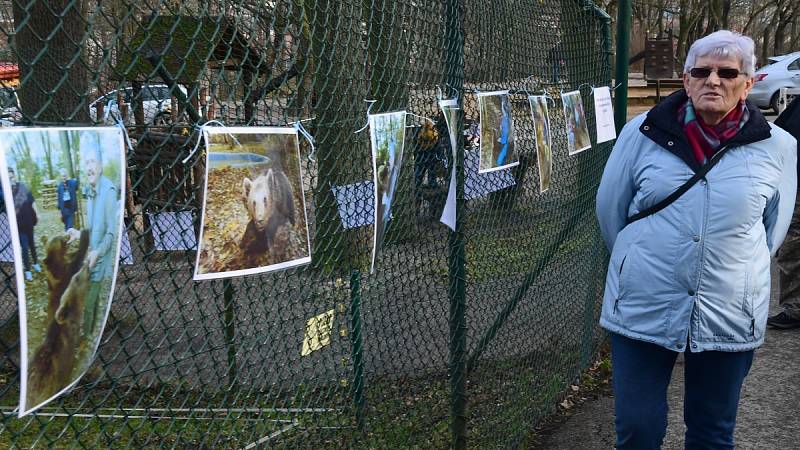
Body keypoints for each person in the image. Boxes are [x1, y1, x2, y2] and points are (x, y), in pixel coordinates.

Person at [595, 30, 797, 449]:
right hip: (643, 302)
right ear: (685, 80)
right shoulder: (641, 132)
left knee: (712, 432)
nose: (714, 81)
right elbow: (610, 211)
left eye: (728, 72)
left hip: (729, 308)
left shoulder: (779, 147)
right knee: (637, 428)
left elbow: (772, 230)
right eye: (701, 71)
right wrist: (637, 261)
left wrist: (734, 267)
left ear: (749, 82)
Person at [66, 147, 118, 340]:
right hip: (92, 257)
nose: (89, 167)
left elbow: (111, 233)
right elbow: (93, 229)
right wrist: (78, 234)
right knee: (92, 303)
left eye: (93, 162)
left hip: (101, 259)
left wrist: (98, 253)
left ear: (101, 166)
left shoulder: (108, 191)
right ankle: (92, 338)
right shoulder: (91, 192)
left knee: (88, 304)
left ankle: (85, 343)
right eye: (86, 163)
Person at [9, 168, 41, 281]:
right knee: (24, 247)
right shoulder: (7, 193)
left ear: (15, 176)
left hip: (29, 222)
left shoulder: (23, 186)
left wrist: (37, 214)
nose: (11, 179)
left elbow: (32, 201)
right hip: (18, 226)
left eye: (12, 177)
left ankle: (36, 263)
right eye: (8, 178)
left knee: (32, 244)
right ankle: (27, 270)